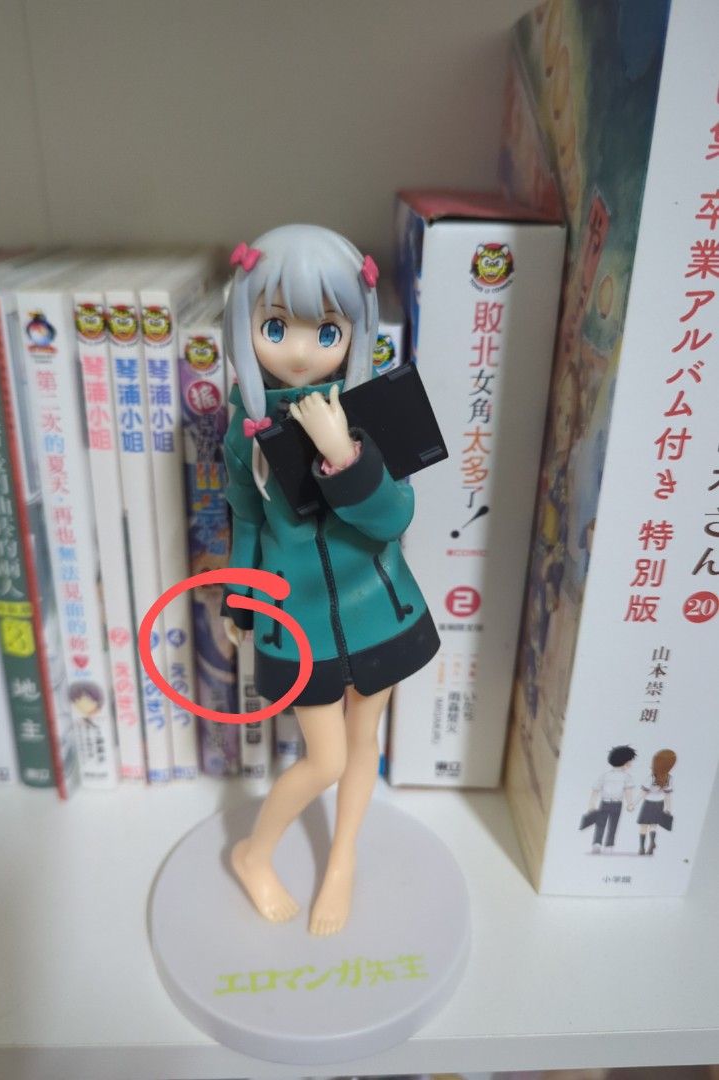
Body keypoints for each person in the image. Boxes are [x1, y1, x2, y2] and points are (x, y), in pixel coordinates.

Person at [221, 224, 439, 935]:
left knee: (364, 737)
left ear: (355, 331)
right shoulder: (245, 427)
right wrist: (240, 603)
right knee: (326, 758)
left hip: (379, 603)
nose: (298, 351)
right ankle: (253, 853)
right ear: (244, 324)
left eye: (326, 332)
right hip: (299, 619)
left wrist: (343, 451)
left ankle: (341, 859)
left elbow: (393, 516)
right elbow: (247, 519)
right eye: (274, 327)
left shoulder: (369, 411)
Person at [587, 744, 637, 853]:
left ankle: (605, 845)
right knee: (607, 824)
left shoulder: (622, 776)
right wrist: (591, 804)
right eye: (629, 761)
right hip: (609, 803)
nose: (631, 764)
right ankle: (601, 844)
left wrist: (629, 803)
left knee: (608, 824)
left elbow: (627, 791)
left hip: (613, 803)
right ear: (625, 762)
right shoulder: (610, 776)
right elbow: (596, 790)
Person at [637, 748, 676, 855]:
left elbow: (643, 793)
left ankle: (642, 848)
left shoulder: (651, 777)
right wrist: (668, 809)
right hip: (660, 804)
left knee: (643, 825)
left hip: (648, 803)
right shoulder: (669, 778)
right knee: (653, 825)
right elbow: (668, 795)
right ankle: (651, 844)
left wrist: (634, 803)